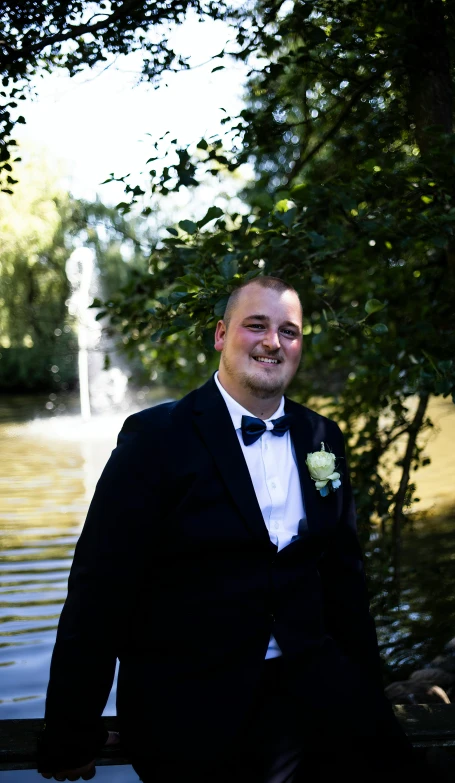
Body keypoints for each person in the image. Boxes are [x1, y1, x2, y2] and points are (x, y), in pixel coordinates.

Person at [37, 276, 428, 782]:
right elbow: (99, 591)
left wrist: (366, 696)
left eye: (289, 331)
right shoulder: (155, 440)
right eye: (256, 326)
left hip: (315, 687)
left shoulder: (320, 437)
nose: (273, 342)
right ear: (221, 335)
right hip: (191, 703)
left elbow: (344, 581)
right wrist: (71, 729)